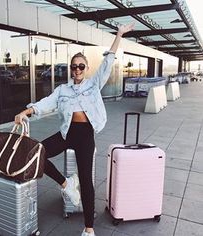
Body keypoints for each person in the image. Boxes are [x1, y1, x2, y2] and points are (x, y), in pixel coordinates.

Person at [15, 22, 135, 236]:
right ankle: (66, 184)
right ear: (70, 69)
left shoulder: (94, 84)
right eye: (74, 66)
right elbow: (46, 103)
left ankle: (89, 229)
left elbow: (108, 62)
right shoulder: (62, 90)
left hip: (86, 135)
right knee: (36, 154)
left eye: (81, 66)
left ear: (86, 68)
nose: (77, 69)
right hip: (67, 133)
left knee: (87, 182)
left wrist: (118, 34)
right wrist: (27, 112)